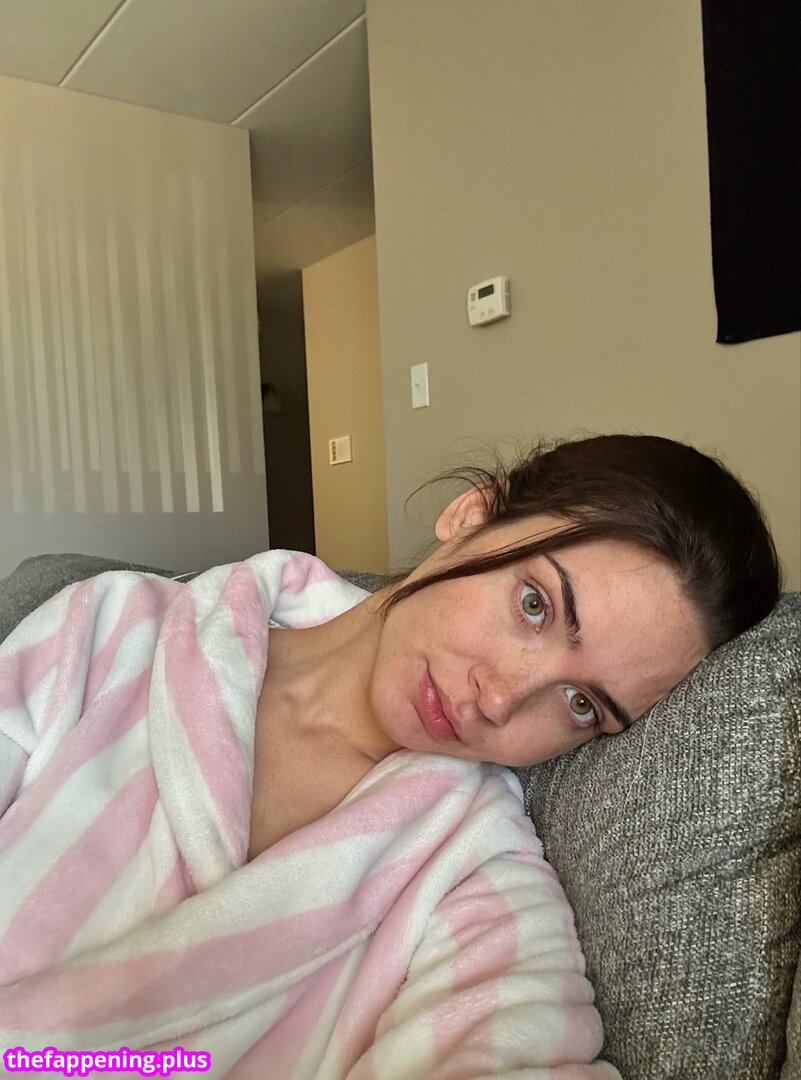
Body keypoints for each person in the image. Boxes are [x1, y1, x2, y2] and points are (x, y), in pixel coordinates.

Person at [0, 434, 780, 1079]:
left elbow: (514, 1033)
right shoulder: (109, 629)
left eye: (581, 704)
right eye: (534, 604)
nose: (501, 698)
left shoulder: (475, 868)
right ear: (470, 514)